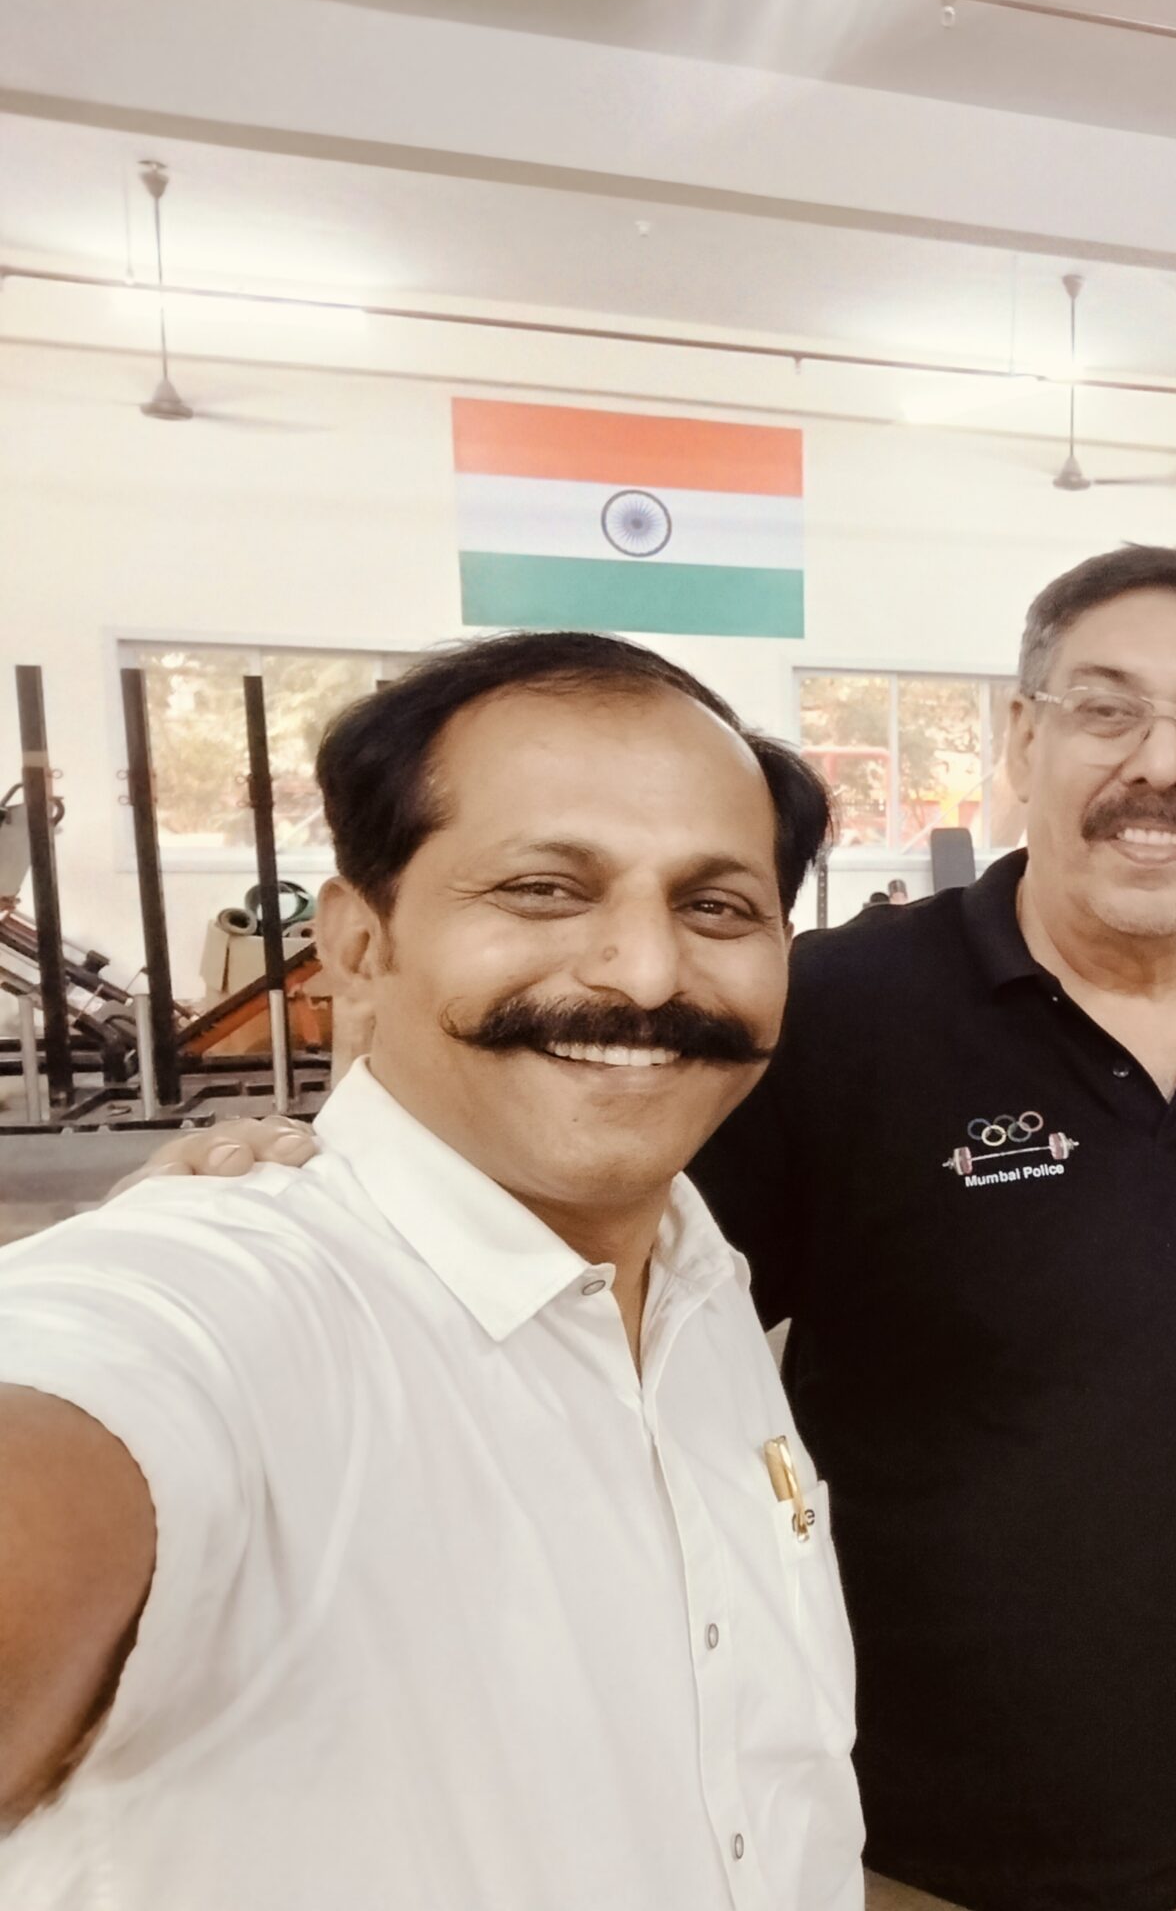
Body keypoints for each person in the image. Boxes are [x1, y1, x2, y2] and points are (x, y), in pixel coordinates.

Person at [124, 546, 1176, 1911]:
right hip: (921, 1840)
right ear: (1022, 736)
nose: (1163, 764)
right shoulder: (833, 1013)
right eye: (1106, 709)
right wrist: (329, 1193)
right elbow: (529, 1276)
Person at [0, 634, 865, 1907]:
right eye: (543, 889)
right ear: (358, 944)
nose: (645, 970)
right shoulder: (236, 1295)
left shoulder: (696, 1277)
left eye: (715, 907)